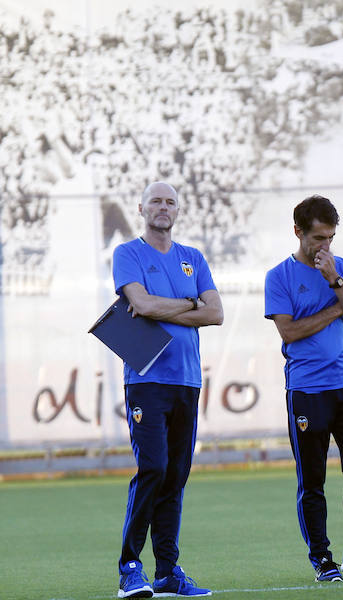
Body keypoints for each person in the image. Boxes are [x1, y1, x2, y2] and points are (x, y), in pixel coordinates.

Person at [264, 195, 343, 583]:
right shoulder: (278, 277)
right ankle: (322, 557)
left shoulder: (341, 268)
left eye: (330, 237)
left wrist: (335, 280)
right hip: (307, 390)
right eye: (318, 238)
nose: (325, 246)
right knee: (312, 480)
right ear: (298, 232)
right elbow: (290, 331)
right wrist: (339, 306)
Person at [112, 181, 223, 598]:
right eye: (156, 200)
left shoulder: (193, 257)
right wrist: (191, 305)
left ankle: (167, 571)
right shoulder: (128, 254)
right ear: (141, 208)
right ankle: (130, 567)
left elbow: (217, 314)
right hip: (147, 379)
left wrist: (176, 306)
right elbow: (141, 304)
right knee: (153, 468)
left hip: (187, 380)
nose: (163, 207)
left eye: (170, 201)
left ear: (178, 210)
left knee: (175, 476)